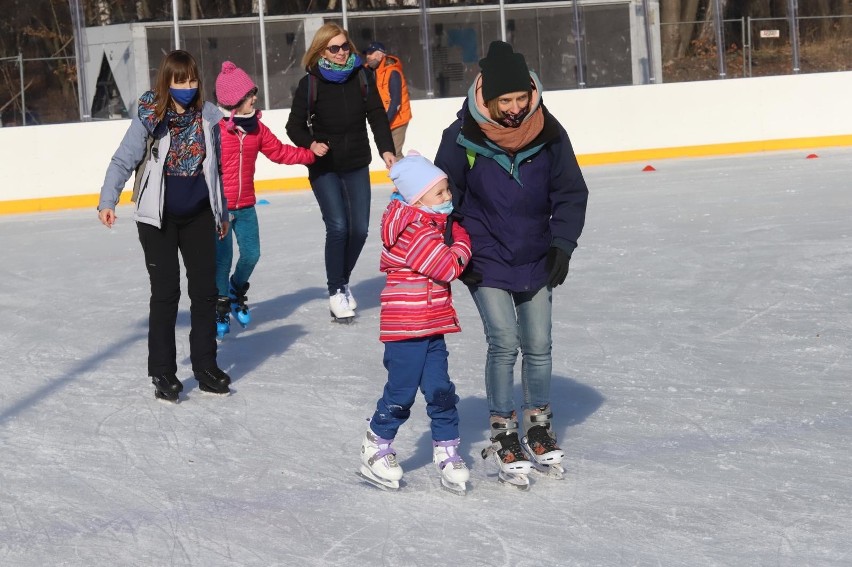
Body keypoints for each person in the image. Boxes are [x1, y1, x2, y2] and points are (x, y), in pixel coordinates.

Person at [435, 41, 589, 490]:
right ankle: (504, 429)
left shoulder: (549, 131)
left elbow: (570, 192)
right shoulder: (460, 136)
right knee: (504, 340)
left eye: (522, 99)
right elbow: (445, 202)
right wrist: (459, 256)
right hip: (484, 255)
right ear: (487, 98)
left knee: (538, 342)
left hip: (536, 252)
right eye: (507, 101)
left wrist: (562, 244)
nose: (516, 109)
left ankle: (538, 424)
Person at [97, 49, 233, 402]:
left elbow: (215, 170)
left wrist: (222, 212)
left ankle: (205, 366)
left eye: (192, 80)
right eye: (179, 80)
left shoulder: (208, 117)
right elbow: (123, 159)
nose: (187, 86)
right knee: (166, 293)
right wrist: (108, 199)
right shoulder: (150, 117)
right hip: (156, 218)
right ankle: (163, 372)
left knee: (204, 292)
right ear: (166, 82)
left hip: (200, 214)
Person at [358, 151, 473, 494]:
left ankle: (447, 450)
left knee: (440, 391)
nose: (448, 197)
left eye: (447, 190)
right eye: (439, 194)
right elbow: (448, 267)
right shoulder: (415, 231)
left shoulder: (428, 224)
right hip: (407, 328)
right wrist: (464, 241)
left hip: (431, 325)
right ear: (416, 198)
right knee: (402, 392)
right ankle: (376, 447)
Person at [285, 23, 396, 323]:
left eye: (345, 46)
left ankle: (341, 281)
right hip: (325, 167)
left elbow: (376, 114)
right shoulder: (310, 84)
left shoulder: (362, 76)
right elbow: (293, 127)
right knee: (338, 227)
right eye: (334, 48)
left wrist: (387, 149)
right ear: (322, 51)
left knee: (359, 229)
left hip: (357, 161)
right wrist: (311, 143)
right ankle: (336, 291)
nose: (341, 52)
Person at [213, 61, 317, 339]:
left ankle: (236, 290)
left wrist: (311, 155)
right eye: (249, 95)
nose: (254, 98)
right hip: (218, 210)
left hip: (246, 205)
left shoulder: (257, 129)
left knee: (251, 254)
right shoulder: (215, 131)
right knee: (222, 262)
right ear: (235, 102)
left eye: (253, 93)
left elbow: (280, 152)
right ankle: (220, 305)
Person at [363, 41, 412, 160]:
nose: (368, 56)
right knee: (390, 154)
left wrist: (384, 122)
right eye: (367, 54)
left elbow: (396, 102)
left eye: (371, 53)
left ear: (381, 55)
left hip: (397, 120)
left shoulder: (393, 72)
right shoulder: (370, 72)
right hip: (384, 120)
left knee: (395, 154)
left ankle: (408, 177)